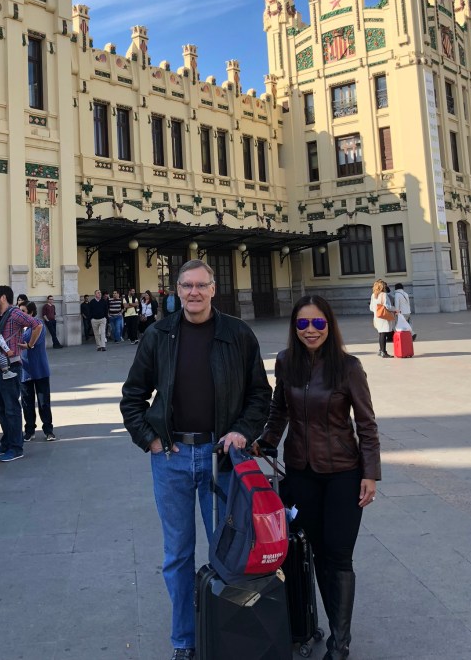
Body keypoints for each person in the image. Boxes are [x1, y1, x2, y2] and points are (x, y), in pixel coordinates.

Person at [120, 259, 272, 660]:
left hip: (221, 459)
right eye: (187, 285)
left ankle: (228, 635)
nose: (194, 292)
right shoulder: (159, 335)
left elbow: (260, 394)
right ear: (176, 290)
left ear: (213, 289)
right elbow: (132, 396)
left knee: (229, 552)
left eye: (201, 285)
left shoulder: (237, 334)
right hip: (171, 459)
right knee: (177, 555)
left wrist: (242, 432)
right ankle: (185, 640)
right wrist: (150, 439)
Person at [258, 295, 381, 660]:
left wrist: (370, 474)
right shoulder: (286, 362)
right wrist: (265, 441)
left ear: (329, 325)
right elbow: (279, 411)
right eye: (302, 324)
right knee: (319, 554)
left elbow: (367, 425)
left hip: (344, 473)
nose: (310, 330)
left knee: (339, 557)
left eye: (318, 323)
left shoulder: (348, 367)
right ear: (294, 327)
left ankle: (340, 644)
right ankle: (333, 628)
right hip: (301, 473)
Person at [0, 285, 43, 462]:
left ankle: (16, 447)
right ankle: (6, 443)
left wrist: (30, 344)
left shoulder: (15, 313)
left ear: (3, 297)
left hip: (11, 367)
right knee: (2, 407)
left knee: (11, 408)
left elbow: (37, 325)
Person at [19, 302, 56, 442]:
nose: (21, 314)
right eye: (19, 311)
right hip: (25, 370)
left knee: (43, 402)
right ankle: (29, 430)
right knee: (27, 403)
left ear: (31, 313)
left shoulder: (38, 324)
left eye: (23, 311)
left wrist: (25, 343)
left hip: (40, 369)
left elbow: (32, 342)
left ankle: (48, 430)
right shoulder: (18, 327)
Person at [369, 279, 395, 357]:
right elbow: (388, 306)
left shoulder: (373, 295)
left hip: (377, 316)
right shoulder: (384, 295)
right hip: (384, 317)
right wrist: (395, 309)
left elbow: (371, 308)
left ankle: (381, 350)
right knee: (383, 334)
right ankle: (383, 352)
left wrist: (377, 311)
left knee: (381, 333)